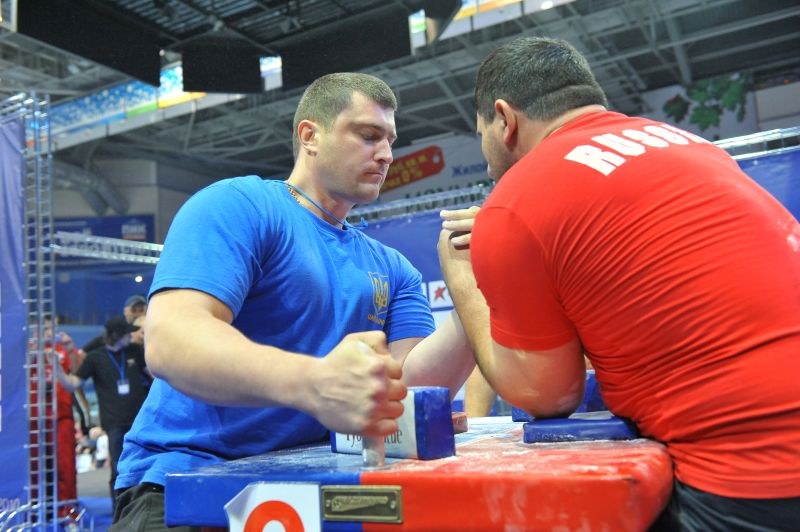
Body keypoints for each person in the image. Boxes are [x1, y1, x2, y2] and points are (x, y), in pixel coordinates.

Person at [444, 36, 800, 530]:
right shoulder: (686, 143)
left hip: (754, 477)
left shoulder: (514, 201)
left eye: (480, 131)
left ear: (503, 120)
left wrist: (462, 279)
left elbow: (548, 396)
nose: (485, 154)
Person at [110, 72, 478, 531]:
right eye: (368, 135)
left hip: (304, 486)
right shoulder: (239, 205)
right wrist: (314, 382)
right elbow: (169, 340)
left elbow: (407, 389)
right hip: (184, 482)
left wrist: (476, 291)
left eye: (390, 140)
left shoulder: (392, 267)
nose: (385, 154)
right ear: (310, 135)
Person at [55, 315, 152, 513]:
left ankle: (143, 508)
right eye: (127, 333)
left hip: (140, 422)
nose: (131, 336)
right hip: (114, 424)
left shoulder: (134, 351)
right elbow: (72, 384)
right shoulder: (95, 357)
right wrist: (56, 366)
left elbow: (153, 373)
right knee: (118, 470)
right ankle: (120, 514)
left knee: (144, 467)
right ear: (117, 335)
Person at [81, 294, 147, 353]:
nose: (137, 313)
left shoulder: (150, 330)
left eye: (141, 310)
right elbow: (83, 352)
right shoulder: (116, 328)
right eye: (134, 309)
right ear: (125, 311)